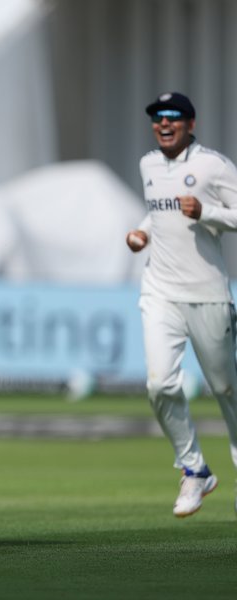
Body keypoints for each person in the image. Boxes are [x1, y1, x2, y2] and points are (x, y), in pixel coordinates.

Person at [126, 91, 237, 518]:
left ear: (191, 123)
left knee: (226, 389)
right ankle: (193, 468)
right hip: (160, 290)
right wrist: (143, 231)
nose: (164, 123)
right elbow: (159, 211)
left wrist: (207, 212)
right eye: (158, 117)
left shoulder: (213, 165)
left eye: (173, 116)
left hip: (208, 293)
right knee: (159, 384)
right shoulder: (148, 165)